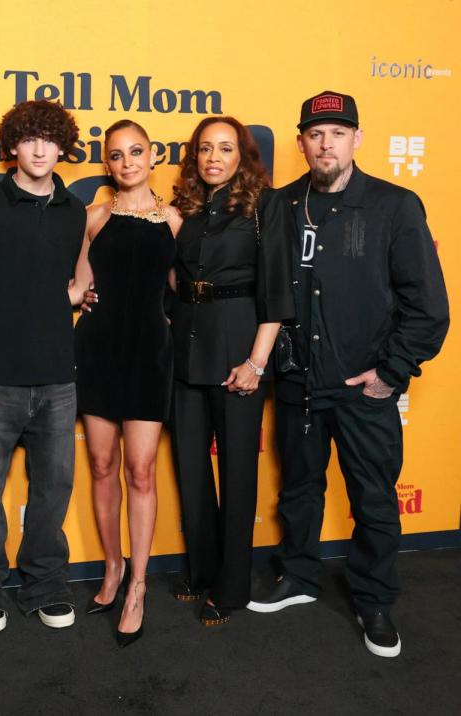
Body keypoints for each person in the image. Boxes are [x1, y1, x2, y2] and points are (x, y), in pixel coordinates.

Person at [248, 91, 449, 657]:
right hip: (298, 385)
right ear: (302, 142)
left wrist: (393, 371)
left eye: (337, 133)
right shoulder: (280, 205)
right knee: (299, 489)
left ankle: (375, 599)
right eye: (315, 134)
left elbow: (429, 306)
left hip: (364, 389)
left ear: (357, 139)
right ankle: (298, 576)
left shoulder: (394, 205)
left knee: (374, 500)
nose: (325, 143)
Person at [0, 100, 86, 634]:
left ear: (61, 147)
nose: (38, 149)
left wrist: (79, 295)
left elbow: (70, 281)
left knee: (52, 491)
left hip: (57, 375)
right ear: (12, 145)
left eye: (48, 140)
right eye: (28, 139)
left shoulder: (74, 210)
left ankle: (45, 585)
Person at [168, 116, 294, 626]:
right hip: (186, 341)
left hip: (240, 343)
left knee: (238, 471)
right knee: (190, 468)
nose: (213, 157)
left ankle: (232, 586)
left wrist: (256, 361)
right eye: (205, 149)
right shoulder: (187, 208)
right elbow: (173, 276)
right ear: (194, 156)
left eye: (224, 148)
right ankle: (202, 571)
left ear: (243, 155)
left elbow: (278, 291)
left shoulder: (267, 206)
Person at [72, 120, 181, 647]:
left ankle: (138, 584)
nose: (127, 162)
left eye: (136, 152)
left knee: (140, 471)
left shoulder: (177, 222)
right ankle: (112, 567)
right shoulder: (92, 219)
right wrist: (77, 298)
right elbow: (77, 287)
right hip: (97, 351)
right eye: (116, 155)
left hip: (148, 356)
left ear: (153, 156)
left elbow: (183, 295)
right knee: (100, 466)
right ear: (107, 163)